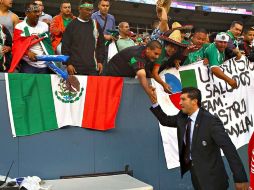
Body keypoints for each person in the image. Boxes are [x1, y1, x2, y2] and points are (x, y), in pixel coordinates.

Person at [149, 87, 249, 190]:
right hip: (197, 179)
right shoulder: (182, 117)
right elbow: (165, 120)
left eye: (183, 99)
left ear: (194, 101)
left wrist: (240, 178)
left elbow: (229, 150)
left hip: (214, 181)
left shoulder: (211, 122)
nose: (179, 103)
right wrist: (154, 102)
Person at [62, 0, 105, 75]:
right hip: (75, 68)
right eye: (87, 10)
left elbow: (101, 45)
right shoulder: (71, 25)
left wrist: (100, 61)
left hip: (93, 68)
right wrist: (68, 64)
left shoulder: (96, 25)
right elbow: (65, 47)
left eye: (91, 10)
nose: (90, 12)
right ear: (80, 9)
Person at [9, 1, 53, 73]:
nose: (38, 14)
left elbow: (48, 45)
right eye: (35, 12)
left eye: (39, 12)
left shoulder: (44, 26)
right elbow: (16, 46)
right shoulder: (20, 27)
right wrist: (27, 52)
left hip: (44, 64)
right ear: (27, 13)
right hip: (28, 64)